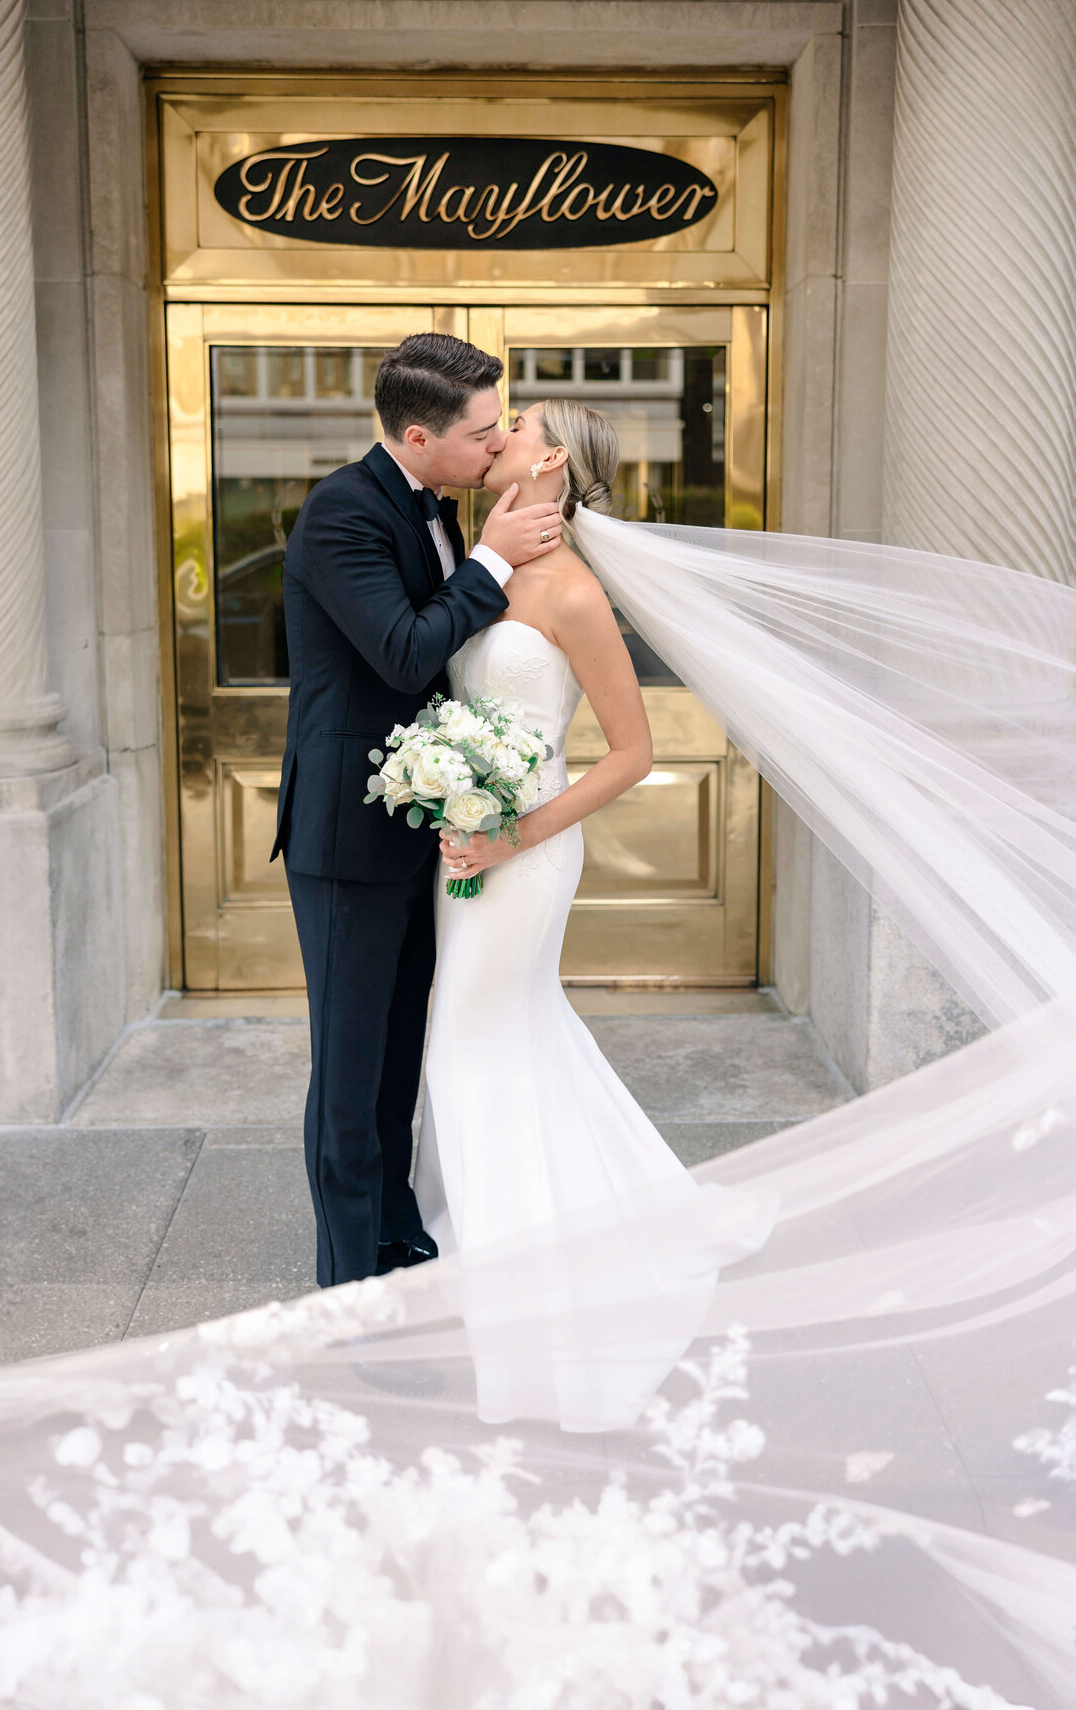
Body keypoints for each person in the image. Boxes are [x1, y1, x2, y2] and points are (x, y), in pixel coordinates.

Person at [414, 398, 739, 1426]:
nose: (496, 428)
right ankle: (547, 1247)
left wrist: (514, 834)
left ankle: (525, 1308)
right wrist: (445, 794)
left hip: (529, 853)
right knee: (493, 1041)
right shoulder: (488, 569)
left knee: (472, 1046)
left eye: (516, 422)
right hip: (467, 843)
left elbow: (635, 754)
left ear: (551, 457)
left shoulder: (575, 595)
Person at [272, 333, 563, 1289]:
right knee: (351, 1076)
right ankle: (346, 1282)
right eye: (483, 434)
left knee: (403, 1054)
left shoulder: (442, 504)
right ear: (415, 433)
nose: (495, 447)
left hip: (424, 831)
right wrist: (486, 560)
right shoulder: (340, 514)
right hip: (346, 838)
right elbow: (403, 652)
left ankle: (398, 1234)